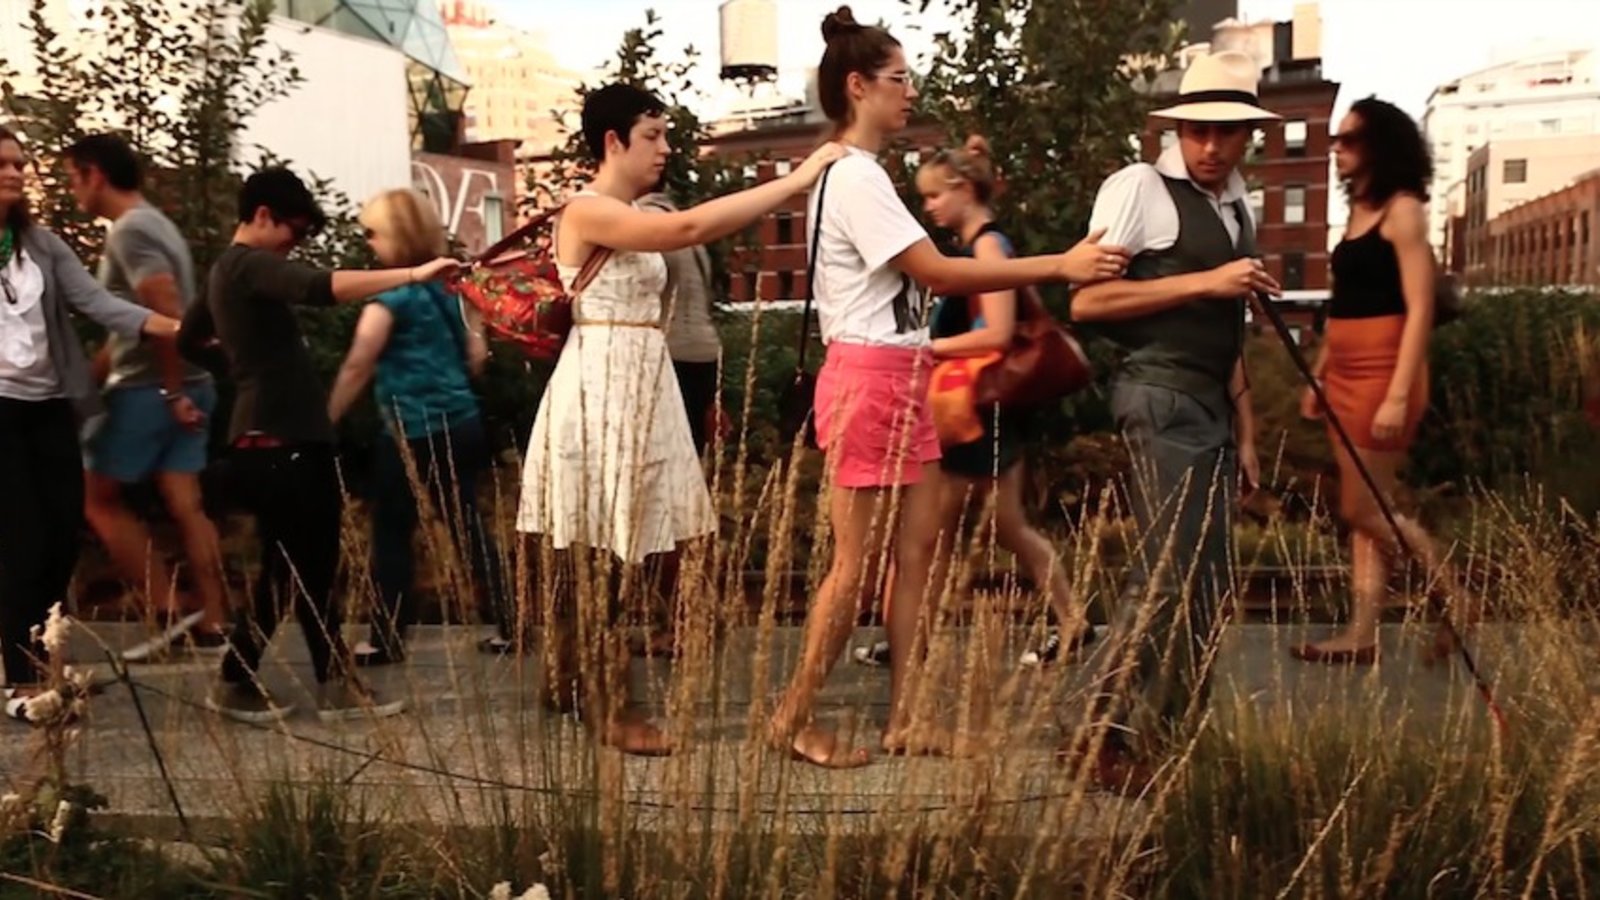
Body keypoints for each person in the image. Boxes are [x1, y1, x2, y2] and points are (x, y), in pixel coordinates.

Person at [767, 6, 1127, 767]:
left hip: (901, 376)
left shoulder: (862, 175)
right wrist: (1059, 265)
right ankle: (793, 718)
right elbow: (936, 273)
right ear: (858, 86)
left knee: (917, 555)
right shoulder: (854, 177)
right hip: (871, 378)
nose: (911, 92)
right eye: (899, 79)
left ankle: (905, 718)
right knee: (855, 565)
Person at [515, 83, 846, 756]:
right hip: (603, 382)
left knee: (629, 537)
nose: (665, 148)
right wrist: (795, 180)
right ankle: (609, 703)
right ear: (614, 142)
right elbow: (687, 229)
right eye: (653, 135)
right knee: (605, 543)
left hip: (639, 376)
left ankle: (573, 676)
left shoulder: (626, 212)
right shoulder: (587, 209)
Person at [1065, 51, 1281, 790]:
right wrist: (1208, 280)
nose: (1211, 146)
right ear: (1178, 130)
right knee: (1167, 575)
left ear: (1248, 135)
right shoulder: (1141, 188)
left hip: (1210, 405)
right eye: (1197, 131)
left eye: (1227, 133)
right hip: (1158, 393)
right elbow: (1087, 302)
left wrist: (1247, 432)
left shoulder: (1237, 207)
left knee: (1209, 583)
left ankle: (1162, 736)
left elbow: (1229, 333)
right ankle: (1094, 731)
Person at [178, 167, 457, 724]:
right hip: (285, 443)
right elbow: (317, 288)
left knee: (290, 568)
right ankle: (319, 685)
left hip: (269, 438)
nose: (296, 244)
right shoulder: (248, 264)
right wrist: (414, 273)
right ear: (262, 215)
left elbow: (188, 338)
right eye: (295, 231)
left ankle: (251, 679)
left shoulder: (224, 273)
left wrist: (245, 373)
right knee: (308, 567)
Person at [854, 136, 1096, 672]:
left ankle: (910, 638)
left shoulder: (988, 248)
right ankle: (1070, 619)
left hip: (975, 410)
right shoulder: (984, 245)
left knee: (935, 531)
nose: (929, 207)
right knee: (1001, 525)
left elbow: (996, 334)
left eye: (935, 195)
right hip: (982, 408)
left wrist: (924, 348)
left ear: (964, 189)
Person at [0, 125, 182, 723]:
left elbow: (99, 304)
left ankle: (47, 662)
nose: (14, 172)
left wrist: (173, 329)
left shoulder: (41, 244)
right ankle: (22, 681)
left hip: (51, 405)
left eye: (19, 163)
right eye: (2, 164)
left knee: (60, 537)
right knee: (24, 540)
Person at [1289, 97, 1475, 666]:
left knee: (1361, 509)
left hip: (1384, 374)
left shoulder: (1403, 211)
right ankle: (1362, 633)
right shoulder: (1358, 210)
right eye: (1335, 139)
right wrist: (1320, 372)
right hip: (1345, 373)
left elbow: (1420, 309)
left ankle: (1456, 598)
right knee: (1368, 507)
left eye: (1348, 139)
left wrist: (1397, 394)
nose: (1336, 149)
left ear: (1379, 146)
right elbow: (1344, 303)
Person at [326, 188, 511, 667]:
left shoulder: (388, 301)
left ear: (396, 236)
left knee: (391, 532)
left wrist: (326, 419)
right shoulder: (451, 291)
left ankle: (386, 639)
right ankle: (511, 624)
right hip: (462, 423)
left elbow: (358, 365)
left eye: (373, 233)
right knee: (467, 526)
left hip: (411, 430)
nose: (368, 242)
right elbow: (476, 355)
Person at [64, 133, 230, 662]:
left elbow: (163, 310)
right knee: (186, 502)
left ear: (94, 174)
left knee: (96, 498)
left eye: (72, 178)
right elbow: (128, 329)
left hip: (151, 390)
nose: (72, 191)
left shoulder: (130, 231)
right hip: (187, 384)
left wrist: (170, 388)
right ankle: (215, 622)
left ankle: (166, 609)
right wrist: (86, 382)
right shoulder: (157, 223)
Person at [638, 190, 723, 458]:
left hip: (671, 348)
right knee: (695, 447)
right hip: (705, 349)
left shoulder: (644, 221)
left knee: (665, 449)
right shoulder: (681, 223)